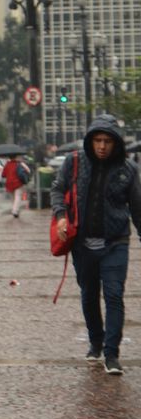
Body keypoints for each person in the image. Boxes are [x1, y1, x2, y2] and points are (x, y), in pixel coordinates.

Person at [52, 114, 141, 376]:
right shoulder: (74, 162)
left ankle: (112, 354)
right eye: (97, 141)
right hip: (82, 244)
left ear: (116, 143)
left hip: (116, 243)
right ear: (90, 141)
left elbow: (137, 208)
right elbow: (58, 189)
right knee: (89, 294)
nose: (102, 146)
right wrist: (60, 217)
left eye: (107, 141)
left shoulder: (128, 169)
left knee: (114, 294)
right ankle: (96, 341)